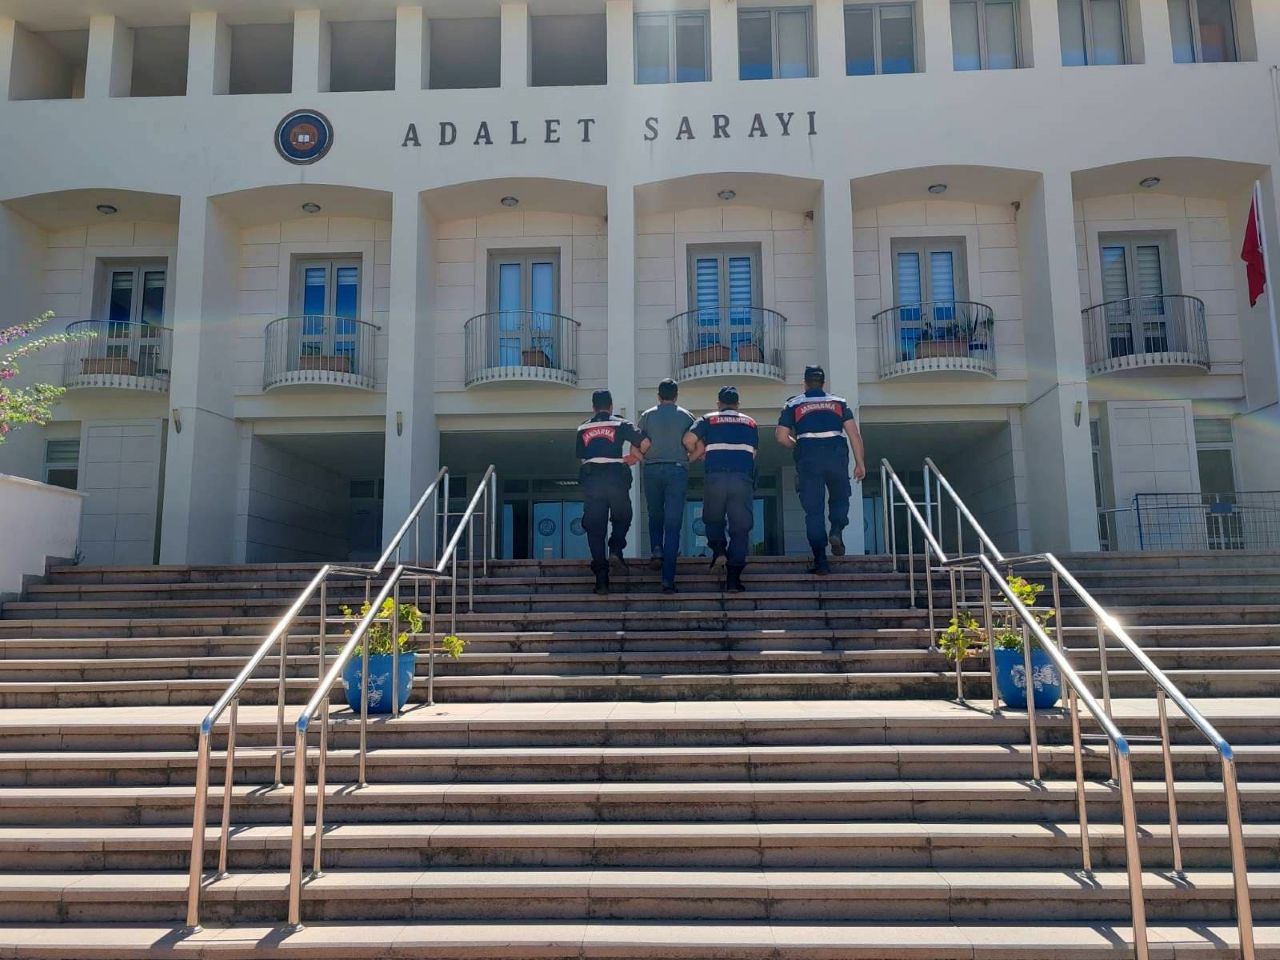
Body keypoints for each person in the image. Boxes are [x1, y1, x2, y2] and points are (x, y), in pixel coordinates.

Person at [775, 365, 867, 575]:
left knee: (814, 511)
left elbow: (780, 436)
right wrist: (860, 463)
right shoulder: (839, 402)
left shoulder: (794, 404)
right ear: (823, 383)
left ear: (805, 383)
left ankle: (821, 561)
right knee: (840, 498)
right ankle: (836, 530)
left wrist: (796, 444)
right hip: (836, 456)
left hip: (809, 457)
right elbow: (854, 434)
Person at [684, 386, 759, 593]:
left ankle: (718, 551)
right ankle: (733, 581)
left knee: (713, 519)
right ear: (738, 404)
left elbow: (688, 440)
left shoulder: (708, 419)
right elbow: (753, 453)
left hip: (715, 478)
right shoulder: (750, 422)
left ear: (718, 403)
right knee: (740, 529)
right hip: (741, 479)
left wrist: (699, 453)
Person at [576, 389, 649, 595]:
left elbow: (582, 456)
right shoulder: (621, 423)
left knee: (595, 529)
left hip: (592, 481)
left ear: (593, 407)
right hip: (616, 478)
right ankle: (616, 549)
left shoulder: (583, 427)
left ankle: (601, 580)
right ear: (611, 406)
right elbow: (645, 443)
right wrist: (632, 458)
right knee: (623, 517)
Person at [639, 379, 696, 594]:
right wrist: (688, 459)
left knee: (655, 514)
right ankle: (668, 580)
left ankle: (656, 548)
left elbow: (639, 444)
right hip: (677, 469)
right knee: (673, 525)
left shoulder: (647, 416)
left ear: (658, 395)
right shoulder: (687, 416)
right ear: (676, 395)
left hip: (652, 469)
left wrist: (644, 460)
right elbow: (694, 443)